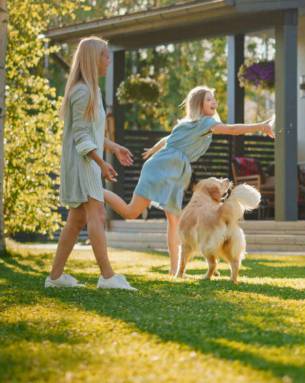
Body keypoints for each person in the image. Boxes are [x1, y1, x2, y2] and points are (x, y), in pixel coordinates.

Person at [103, 86, 274, 275]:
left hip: (172, 170)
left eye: (213, 99)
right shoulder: (204, 123)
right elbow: (232, 129)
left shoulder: (190, 124)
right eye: (208, 99)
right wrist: (260, 126)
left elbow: (167, 139)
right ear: (198, 104)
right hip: (164, 168)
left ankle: (175, 270)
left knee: (174, 221)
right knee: (131, 212)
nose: (213, 102)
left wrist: (153, 149)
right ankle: (99, 192)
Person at [46, 36, 137, 290]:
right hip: (82, 163)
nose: (109, 60)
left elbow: (94, 133)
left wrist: (114, 147)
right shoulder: (82, 92)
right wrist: (101, 162)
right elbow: (81, 137)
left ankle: (55, 278)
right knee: (96, 213)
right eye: (105, 55)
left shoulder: (93, 90)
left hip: (89, 161)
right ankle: (107, 276)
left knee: (76, 220)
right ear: (92, 59)